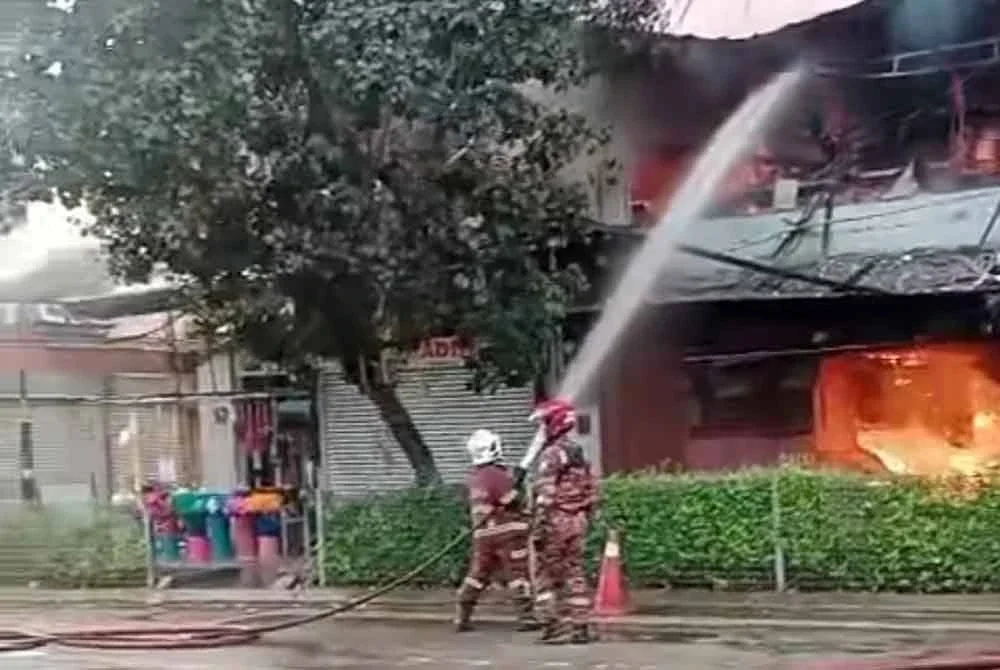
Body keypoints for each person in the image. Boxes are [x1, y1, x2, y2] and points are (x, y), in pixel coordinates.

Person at [455, 428, 540, 633]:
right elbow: (510, 501)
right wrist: (518, 484)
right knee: (517, 573)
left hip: (483, 534)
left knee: (478, 574)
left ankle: (462, 615)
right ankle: (526, 617)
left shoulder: (476, 477)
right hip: (508, 532)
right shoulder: (496, 474)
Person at [530, 398, 599, 644]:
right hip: (578, 522)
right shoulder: (578, 453)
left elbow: (546, 495)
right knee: (575, 572)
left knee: (544, 575)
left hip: (556, 521)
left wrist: (538, 529)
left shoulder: (552, 454)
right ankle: (581, 626)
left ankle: (552, 624)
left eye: (544, 423)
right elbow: (593, 491)